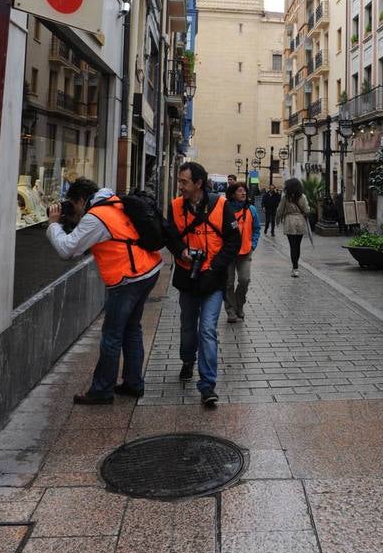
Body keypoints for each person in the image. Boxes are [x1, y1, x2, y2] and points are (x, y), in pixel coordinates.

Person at [46, 178, 165, 404]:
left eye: (73, 204)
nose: (74, 209)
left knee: (112, 335)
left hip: (128, 278)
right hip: (147, 269)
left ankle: (102, 390)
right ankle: (133, 383)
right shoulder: (113, 202)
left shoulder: (95, 217)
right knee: (132, 329)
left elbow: (67, 249)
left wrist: (53, 224)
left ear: (81, 200)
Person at [169, 162, 241, 406]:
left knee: (207, 329)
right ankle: (187, 359)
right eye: (179, 181)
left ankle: (207, 385)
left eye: (184, 182)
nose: (180, 186)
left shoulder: (221, 205)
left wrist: (216, 266)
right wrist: (181, 251)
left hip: (213, 279)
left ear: (198, 183)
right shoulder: (176, 206)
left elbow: (233, 240)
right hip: (187, 278)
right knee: (188, 328)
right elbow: (170, 236)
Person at [224, 181, 260, 322]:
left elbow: (256, 229)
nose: (243, 193)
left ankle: (239, 305)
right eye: (240, 191)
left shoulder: (251, 209)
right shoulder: (225, 210)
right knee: (228, 283)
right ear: (233, 194)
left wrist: (253, 245)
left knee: (244, 280)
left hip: (245, 251)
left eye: (244, 190)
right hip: (228, 252)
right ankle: (231, 310)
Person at [276, 177, 310, 277]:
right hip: (300, 221)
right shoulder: (302, 196)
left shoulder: (286, 197)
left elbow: (279, 210)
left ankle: (294, 268)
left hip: (289, 221)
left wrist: (277, 221)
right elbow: (307, 210)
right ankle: (296, 268)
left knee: (292, 246)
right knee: (298, 245)